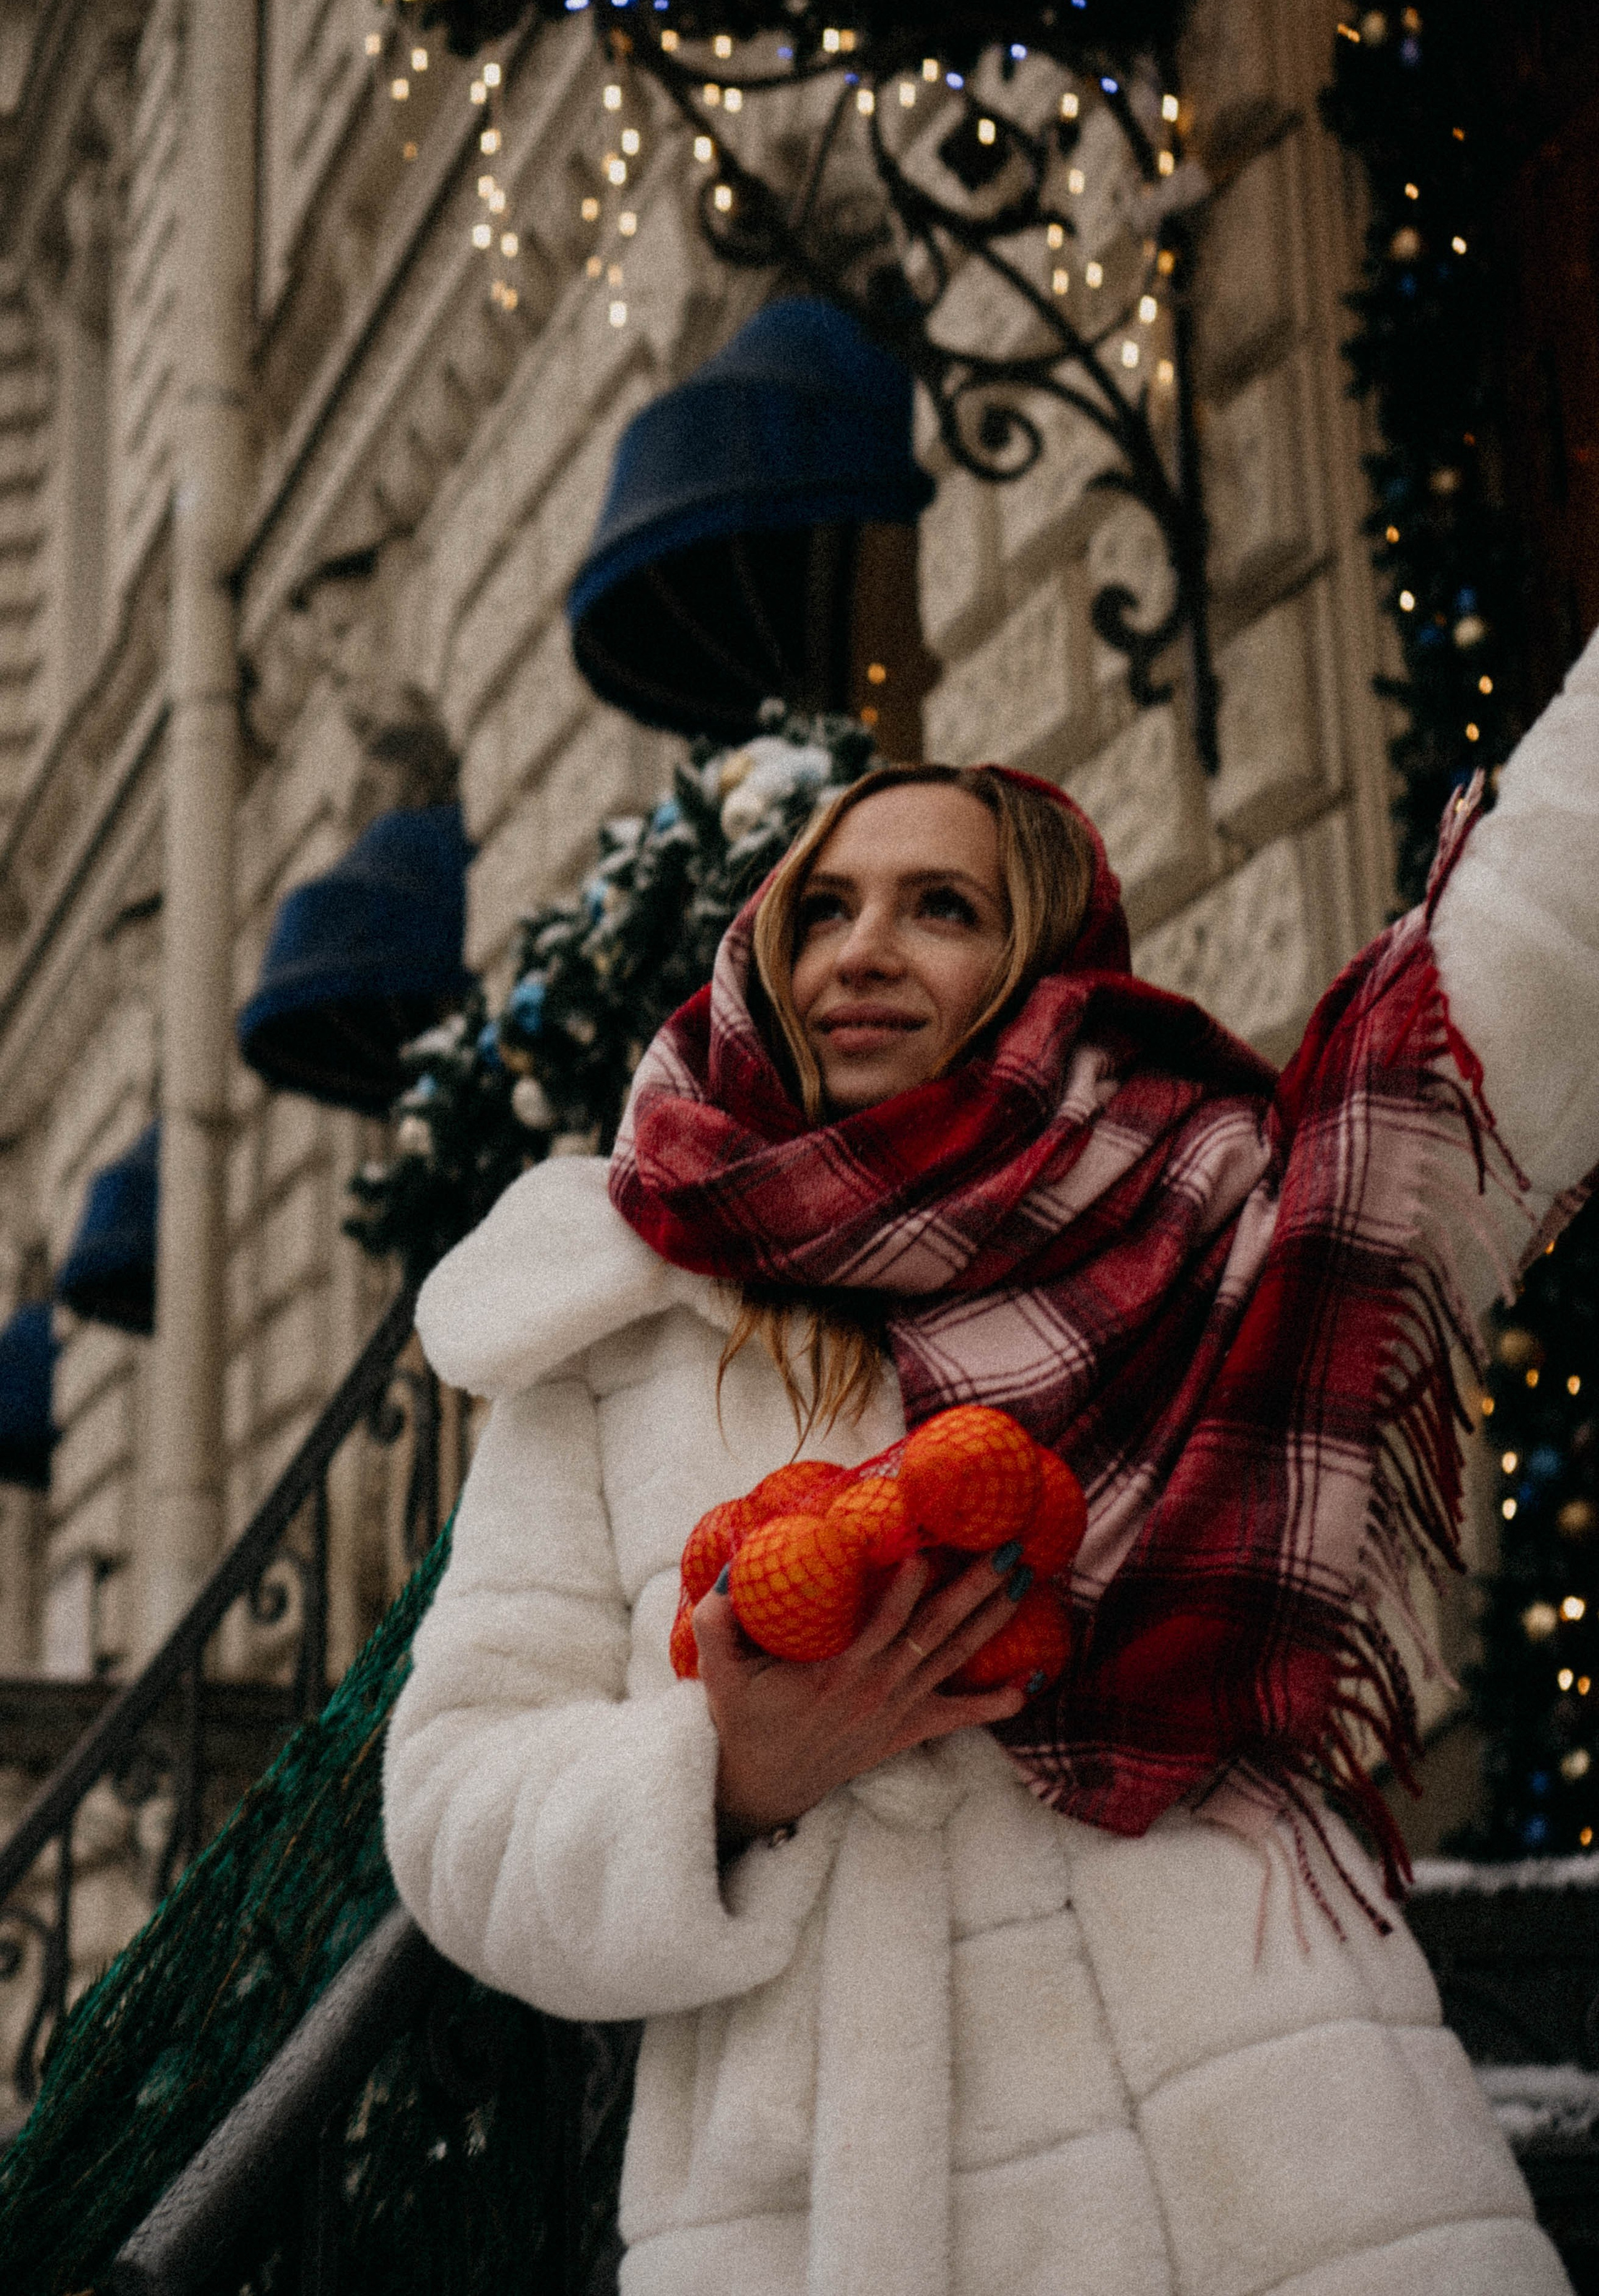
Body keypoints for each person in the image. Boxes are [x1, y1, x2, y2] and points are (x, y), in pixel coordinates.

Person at [384, 634, 1599, 2296]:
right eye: (823, 909)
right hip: (836, 2220)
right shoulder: (619, 1320)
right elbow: (456, 1803)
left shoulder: (1218, 1212)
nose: (863, 951)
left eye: (941, 907)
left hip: (1285, 2169)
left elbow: (1523, 972)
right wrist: (728, 1777)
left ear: (1038, 963)